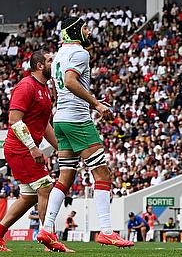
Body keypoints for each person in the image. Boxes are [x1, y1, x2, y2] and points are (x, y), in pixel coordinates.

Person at [41, 17, 133, 248]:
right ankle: (106, 231)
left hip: (61, 118)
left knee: (66, 177)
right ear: (74, 31)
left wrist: (91, 102)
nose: (88, 32)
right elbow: (71, 81)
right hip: (77, 120)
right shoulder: (80, 53)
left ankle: (47, 229)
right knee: (103, 175)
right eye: (84, 28)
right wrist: (96, 104)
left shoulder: (58, 55)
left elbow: (63, 85)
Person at [0, 51, 68, 253]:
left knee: (29, 197)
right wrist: (33, 147)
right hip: (20, 149)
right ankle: (50, 239)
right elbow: (14, 120)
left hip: (26, 149)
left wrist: (60, 147)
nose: (53, 63)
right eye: (50, 60)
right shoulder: (26, 86)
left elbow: (44, 124)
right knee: (46, 188)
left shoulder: (45, 88)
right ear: (39, 66)